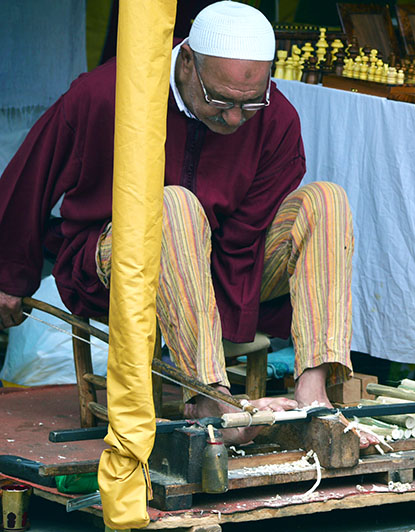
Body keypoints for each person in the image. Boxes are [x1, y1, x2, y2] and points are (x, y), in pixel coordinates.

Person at [0, 1, 362, 445]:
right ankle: (211, 395)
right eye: (220, 100)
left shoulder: (277, 117)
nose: (234, 118)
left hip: (227, 268)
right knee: (174, 206)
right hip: (118, 261)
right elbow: (33, 172)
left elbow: (246, 238)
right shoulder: (107, 91)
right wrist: (9, 276)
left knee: (327, 199)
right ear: (187, 60)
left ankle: (313, 393)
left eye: (250, 104)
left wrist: (217, 322)